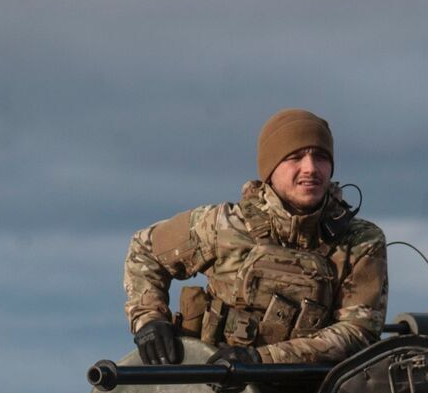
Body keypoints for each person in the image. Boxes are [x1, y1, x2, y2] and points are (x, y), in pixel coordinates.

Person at [123, 108, 388, 366]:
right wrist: (148, 319)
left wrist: (263, 359)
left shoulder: (359, 242)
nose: (310, 168)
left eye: (320, 157)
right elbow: (145, 249)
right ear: (270, 168)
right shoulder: (222, 226)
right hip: (216, 392)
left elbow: (358, 332)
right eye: (295, 157)